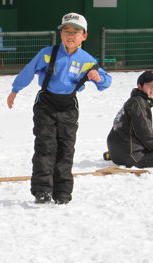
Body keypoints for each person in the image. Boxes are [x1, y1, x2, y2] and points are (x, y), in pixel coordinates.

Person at [7, 12, 112, 205]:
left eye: (75, 32)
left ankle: (62, 192)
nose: (70, 35)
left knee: (66, 149)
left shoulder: (87, 60)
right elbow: (28, 71)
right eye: (66, 31)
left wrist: (99, 77)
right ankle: (42, 190)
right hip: (46, 103)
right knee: (45, 147)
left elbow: (106, 83)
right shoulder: (47, 53)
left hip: (68, 106)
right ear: (61, 34)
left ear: (84, 36)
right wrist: (15, 90)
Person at [105, 70, 153, 168]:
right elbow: (145, 134)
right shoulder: (138, 103)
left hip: (116, 150)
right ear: (140, 86)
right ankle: (123, 157)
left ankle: (116, 155)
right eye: (149, 85)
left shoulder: (135, 101)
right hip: (130, 155)